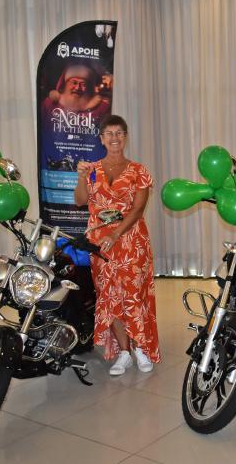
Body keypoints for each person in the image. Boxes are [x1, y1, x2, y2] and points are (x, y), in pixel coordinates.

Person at [74, 115, 160, 375]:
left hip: (132, 241)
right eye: (109, 133)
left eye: (119, 133)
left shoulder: (139, 171)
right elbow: (80, 201)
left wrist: (115, 235)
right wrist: (81, 178)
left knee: (134, 295)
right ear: (101, 139)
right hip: (99, 245)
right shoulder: (92, 170)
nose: (114, 138)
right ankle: (124, 352)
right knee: (109, 297)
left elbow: (138, 209)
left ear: (125, 137)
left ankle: (140, 348)